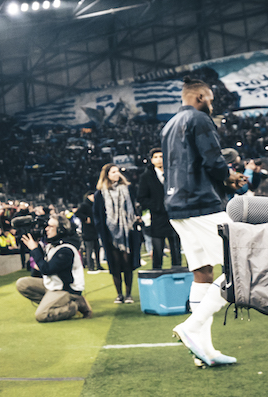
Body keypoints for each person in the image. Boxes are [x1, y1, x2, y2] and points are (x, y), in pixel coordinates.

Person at [161, 78, 246, 367]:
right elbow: (213, 161)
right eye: (210, 98)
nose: (212, 103)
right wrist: (229, 177)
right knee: (239, 263)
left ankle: (204, 350)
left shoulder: (169, 125)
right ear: (200, 97)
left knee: (203, 273)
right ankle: (191, 326)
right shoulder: (199, 119)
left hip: (176, 206)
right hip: (201, 203)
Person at [15, 215, 91, 322]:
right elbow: (39, 269)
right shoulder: (53, 246)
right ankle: (53, 303)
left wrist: (35, 249)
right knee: (22, 284)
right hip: (53, 286)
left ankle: (75, 305)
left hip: (66, 290)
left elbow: (47, 270)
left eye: (50, 226)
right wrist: (35, 246)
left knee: (41, 315)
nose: (46, 229)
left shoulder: (66, 249)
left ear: (61, 229)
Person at [93, 164, 142, 303]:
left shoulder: (127, 188)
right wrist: (103, 231)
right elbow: (97, 215)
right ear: (107, 175)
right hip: (110, 234)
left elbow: (134, 207)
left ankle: (128, 294)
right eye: (113, 172)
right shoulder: (100, 193)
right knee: (115, 265)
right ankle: (119, 294)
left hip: (128, 232)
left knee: (127, 263)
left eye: (118, 171)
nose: (117, 174)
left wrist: (134, 220)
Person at [136, 148, 182, 270]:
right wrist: (158, 206)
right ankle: (157, 272)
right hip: (157, 218)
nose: (159, 159)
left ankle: (178, 272)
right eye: (155, 157)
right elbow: (141, 198)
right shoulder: (146, 177)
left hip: (174, 215)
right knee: (157, 249)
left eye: (161, 156)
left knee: (176, 249)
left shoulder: (173, 173)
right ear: (151, 160)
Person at [74, 192, 100, 273]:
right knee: (89, 249)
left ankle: (98, 265)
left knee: (97, 248)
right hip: (88, 231)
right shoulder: (85, 205)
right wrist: (85, 218)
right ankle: (90, 266)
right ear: (88, 196)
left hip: (94, 230)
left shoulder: (93, 204)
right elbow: (77, 213)